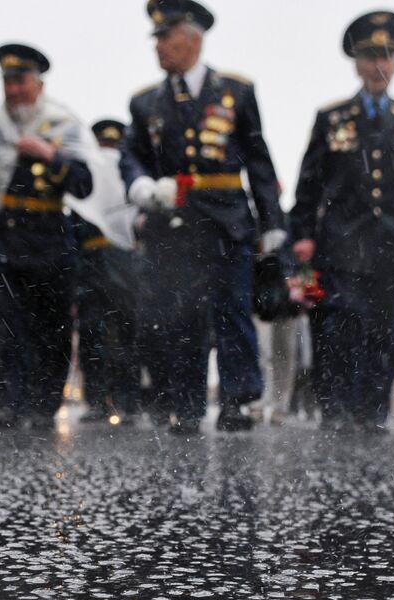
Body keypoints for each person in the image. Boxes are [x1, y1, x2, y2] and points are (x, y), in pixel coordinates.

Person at [121, 0, 287, 433]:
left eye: (166, 36)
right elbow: (131, 156)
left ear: (193, 38)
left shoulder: (236, 91)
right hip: (173, 222)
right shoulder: (145, 103)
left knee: (232, 308)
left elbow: (258, 160)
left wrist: (272, 224)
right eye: (156, 38)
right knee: (180, 312)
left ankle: (237, 399)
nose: (158, 46)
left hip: (228, 219)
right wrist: (138, 184)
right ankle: (187, 404)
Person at [290, 10, 394, 430]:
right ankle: (336, 409)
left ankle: (373, 411)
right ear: (357, 64)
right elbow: (309, 183)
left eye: (387, 56)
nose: (380, 65)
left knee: (383, 332)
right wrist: (302, 234)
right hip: (340, 243)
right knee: (338, 330)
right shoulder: (333, 118)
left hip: (390, 247)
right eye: (371, 57)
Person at [0, 45, 94, 430]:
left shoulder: (62, 123)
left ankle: (44, 403)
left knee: (51, 326)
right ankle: (5, 401)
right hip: (2, 237)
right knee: (1, 322)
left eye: (20, 81)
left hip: (47, 238)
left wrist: (50, 155)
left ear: (39, 84)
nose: (12, 90)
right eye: (7, 81)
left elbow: (85, 184)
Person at [73, 118, 141, 424]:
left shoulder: (108, 170)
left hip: (99, 261)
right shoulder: (105, 171)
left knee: (107, 333)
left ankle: (108, 400)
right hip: (116, 263)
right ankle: (120, 401)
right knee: (109, 333)